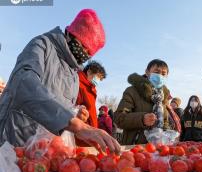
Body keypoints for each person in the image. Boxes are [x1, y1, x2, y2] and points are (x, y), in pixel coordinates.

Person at [0, 9, 120, 154]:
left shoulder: (74, 73)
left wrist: (75, 113)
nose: (84, 55)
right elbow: (23, 82)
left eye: (88, 54)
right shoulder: (42, 45)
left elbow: (60, 108)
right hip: (13, 139)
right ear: (71, 34)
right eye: (83, 47)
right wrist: (76, 124)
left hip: (43, 149)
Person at [114, 59, 173, 145]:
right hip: (134, 148)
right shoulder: (132, 91)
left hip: (157, 149)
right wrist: (142, 119)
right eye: (156, 72)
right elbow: (119, 118)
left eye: (163, 74)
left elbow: (165, 121)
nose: (160, 76)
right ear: (147, 72)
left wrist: (168, 134)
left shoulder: (163, 98)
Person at [76, 61, 106, 127]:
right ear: (89, 72)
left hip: (89, 129)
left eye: (100, 79)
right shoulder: (79, 84)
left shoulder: (91, 88)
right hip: (81, 128)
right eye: (98, 76)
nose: (98, 80)